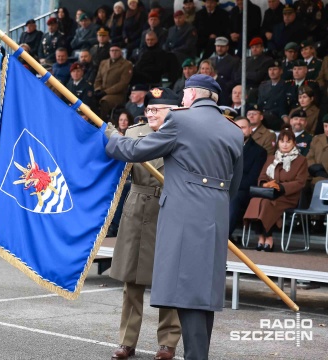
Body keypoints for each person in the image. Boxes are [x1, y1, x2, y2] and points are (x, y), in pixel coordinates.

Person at [105, 74, 243, 360]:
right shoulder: (234, 131)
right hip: (215, 215)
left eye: (183, 96)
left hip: (183, 215)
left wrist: (108, 136)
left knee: (185, 290)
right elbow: (235, 183)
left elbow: (135, 149)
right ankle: (197, 353)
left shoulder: (181, 121)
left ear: (193, 94)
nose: (181, 101)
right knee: (204, 293)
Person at [108, 88, 182, 360]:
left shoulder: (183, 134)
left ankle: (167, 342)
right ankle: (127, 341)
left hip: (170, 207)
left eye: (157, 110)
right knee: (132, 279)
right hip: (138, 207)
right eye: (148, 109)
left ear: (172, 112)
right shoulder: (134, 134)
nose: (150, 113)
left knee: (169, 279)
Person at [244, 126, 308, 252]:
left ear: (294, 143)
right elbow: (262, 176)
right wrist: (265, 184)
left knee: (268, 204)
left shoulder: (301, 160)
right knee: (255, 201)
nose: (284, 145)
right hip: (269, 193)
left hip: (287, 195)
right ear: (278, 143)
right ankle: (261, 236)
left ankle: (268, 237)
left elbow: (300, 182)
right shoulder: (271, 158)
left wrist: (281, 187)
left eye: (288, 141)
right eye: (282, 141)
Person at [228, 116, 267, 241]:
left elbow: (253, 178)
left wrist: (231, 187)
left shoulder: (259, 151)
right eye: (237, 127)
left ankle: (223, 236)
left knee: (234, 198)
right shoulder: (226, 147)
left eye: (243, 127)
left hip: (244, 191)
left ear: (250, 129)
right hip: (225, 187)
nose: (240, 130)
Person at [94, 44, 133, 120]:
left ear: (121, 52)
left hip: (117, 95)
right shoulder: (103, 63)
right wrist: (97, 89)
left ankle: (102, 123)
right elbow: (98, 79)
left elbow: (123, 83)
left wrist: (106, 92)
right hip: (102, 91)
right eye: (112, 50)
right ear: (109, 52)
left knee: (105, 101)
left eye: (116, 50)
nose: (114, 52)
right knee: (89, 98)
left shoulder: (126, 64)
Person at [306, 115, 328, 186]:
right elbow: (309, 158)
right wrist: (317, 170)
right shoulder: (317, 139)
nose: (327, 129)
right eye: (325, 126)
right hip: (316, 177)